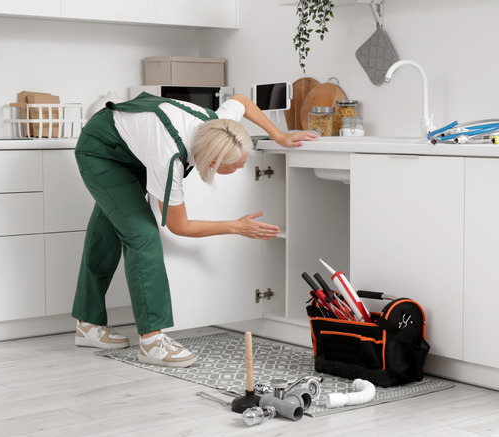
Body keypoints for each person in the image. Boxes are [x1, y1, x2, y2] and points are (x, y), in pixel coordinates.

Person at [71, 92, 318, 367]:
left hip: (132, 150)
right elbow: (180, 225)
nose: (243, 165)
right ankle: (152, 342)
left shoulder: (219, 125)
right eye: (236, 165)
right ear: (212, 163)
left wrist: (280, 135)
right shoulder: (170, 158)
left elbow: (241, 101)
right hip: (100, 151)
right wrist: (236, 226)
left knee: (107, 233)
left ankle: (88, 324)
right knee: (143, 236)